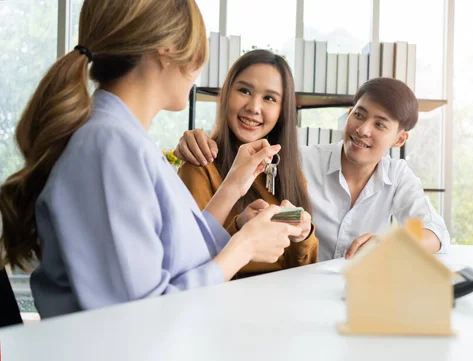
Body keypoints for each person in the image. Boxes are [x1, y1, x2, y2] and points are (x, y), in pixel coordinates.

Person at [0, 0, 301, 319]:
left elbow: (173, 258)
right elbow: (140, 315)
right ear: (168, 50)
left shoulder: (123, 138)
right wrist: (244, 248)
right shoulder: (108, 146)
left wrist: (232, 194)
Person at [175, 77, 450, 261]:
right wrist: (197, 141)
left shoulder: (398, 175)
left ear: (400, 139)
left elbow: (435, 231)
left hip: (356, 295)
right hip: (295, 287)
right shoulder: (301, 161)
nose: (362, 130)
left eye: (380, 124)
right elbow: (238, 158)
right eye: (359, 114)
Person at [177, 49, 318, 278]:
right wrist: (240, 230)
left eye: (269, 98)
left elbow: (304, 272)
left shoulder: (292, 175)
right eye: (244, 90)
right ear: (225, 95)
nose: (254, 107)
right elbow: (190, 264)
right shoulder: (200, 166)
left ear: (283, 111)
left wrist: (303, 236)